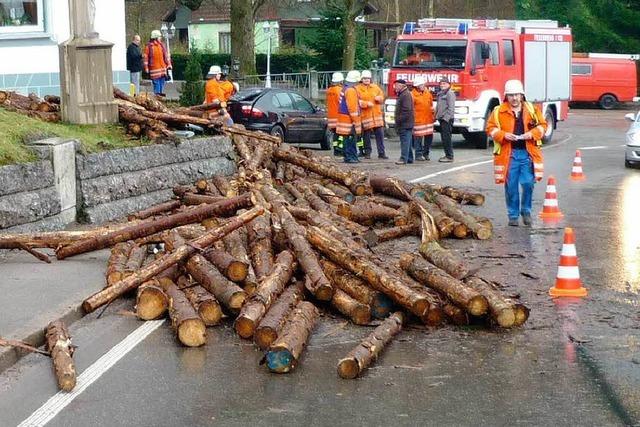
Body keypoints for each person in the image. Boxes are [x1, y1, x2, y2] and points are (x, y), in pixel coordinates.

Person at [486, 79, 547, 227]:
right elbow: (490, 129)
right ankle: (513, 215)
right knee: (511, 186)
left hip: (527, 153)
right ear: (506, 96)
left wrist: (531, 134)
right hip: (509, 154)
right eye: (511, 95)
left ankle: (526, 211)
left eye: (517, 95)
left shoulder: (532, 109)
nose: (514, 98)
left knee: (528, 184)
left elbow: (543, 126)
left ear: (522, 95)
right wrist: (503, 135)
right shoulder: (498, 111)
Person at [356, 70, 387, 159]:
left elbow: (382, 97)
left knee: (380, 136)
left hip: (377, 116)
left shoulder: (375, 87)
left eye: (368, 78)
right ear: (361, 79)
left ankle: (382, 153)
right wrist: (366, 104)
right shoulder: (358, 89)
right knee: (366, 137)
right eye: (365, 78)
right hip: (366, 116)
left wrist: (380, 98)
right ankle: (367, 153)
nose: (367, 80)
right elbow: (357, 101)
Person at [336, 70, 362, 164]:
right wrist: (355, 120)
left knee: (347, 139)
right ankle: (350, 157)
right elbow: (352, 107)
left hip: (345, 118)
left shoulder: (345, 88)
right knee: (350, 139)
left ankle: (350, 157)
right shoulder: (351, 90)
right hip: (349, 120)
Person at [411, 76, 435, 161]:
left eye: (423, 84)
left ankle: (426, 153)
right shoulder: (412, 95)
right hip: (418, 120)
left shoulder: (427, 93)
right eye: (421, 85)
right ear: (417, 86)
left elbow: (431, 104)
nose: (423, 86)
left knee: (429, 137)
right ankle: (418, 154)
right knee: (418, 138)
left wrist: (433, 114)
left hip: (428, 119)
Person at [144, 30, 172, 96]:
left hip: (162, 70)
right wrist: (146, 68)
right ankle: (158, 99)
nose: (160, 38)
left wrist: (169, 64)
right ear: (155, 37)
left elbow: (166, 56)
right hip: (154, 70)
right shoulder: (149, 47)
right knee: (157, 85)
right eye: (159, 37)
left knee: (161, 84)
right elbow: (145, 58)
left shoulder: (161, 46)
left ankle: (160, 99)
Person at [393, 79, 415, 165]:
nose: (395, 87)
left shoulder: (405, 95)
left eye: (397, 85)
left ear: (402, 86)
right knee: (407, 140)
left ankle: (403, 158)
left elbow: (407, 110)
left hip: (405, 123)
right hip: (407, 122)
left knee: (405, 141)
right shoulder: (404, 94)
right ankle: (409, 158)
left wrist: (398, 120)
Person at [435, 76, 455, 162]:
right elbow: (438, 106)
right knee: (444, 138)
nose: (442, 85)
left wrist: (446, 119)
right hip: (441, 119)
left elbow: (451, 108)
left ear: (448, 84)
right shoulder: (441, 93)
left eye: (444, 83)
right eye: (441, 84)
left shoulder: (450, 93)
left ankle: (449, 156)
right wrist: (436, 116)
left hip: (446, 119)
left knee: (447, 138)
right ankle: (447, 155)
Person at [326, 72, 343, 155]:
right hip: (338, 116)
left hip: (331, 116)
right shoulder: (340, 90)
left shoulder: (329, 90)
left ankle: (336, 150)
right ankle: (340, 149)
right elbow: (341, 103)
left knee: (335, 135)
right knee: (340, 134)